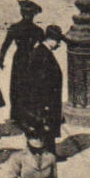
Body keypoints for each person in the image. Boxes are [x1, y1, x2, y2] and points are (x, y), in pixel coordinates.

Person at [0, 0, 46, 129]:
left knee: (16, 86)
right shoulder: (38, 30)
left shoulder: (15, 28)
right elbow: (43, 48)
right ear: (33, 15)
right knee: (30, 86)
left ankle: (16, 115)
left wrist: (1, 60)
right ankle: (29, 113)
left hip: (19, 58)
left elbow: (5, 45)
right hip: (32, 58)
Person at [29, 25, 65, 154]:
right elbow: (41, 82)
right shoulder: (43, 54)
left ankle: (50, 153)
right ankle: (47, 154)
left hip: (47, 100)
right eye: (58, 41)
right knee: (45, 127)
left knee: (47, 128)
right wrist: (45, 104)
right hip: (46, 100)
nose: (59, 44)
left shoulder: (42, 51)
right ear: (51, 39)